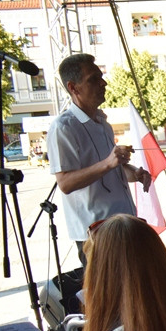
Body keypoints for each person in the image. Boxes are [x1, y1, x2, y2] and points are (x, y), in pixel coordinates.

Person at [46, 53, 151, 265]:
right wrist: (108, 163)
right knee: (109, 298)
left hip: (123, 225)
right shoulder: (63, 128)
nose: (103, 83)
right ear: (73, 88)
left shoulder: (103, 123)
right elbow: (65, 183)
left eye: (101, 77)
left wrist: (134, 173)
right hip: (96, 234)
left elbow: (113, 168)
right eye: (93, 79)